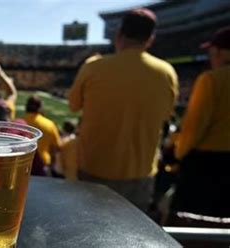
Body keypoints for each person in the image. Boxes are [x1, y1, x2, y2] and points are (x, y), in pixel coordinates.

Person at [68, 8, 178, 210]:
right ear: (150, 39)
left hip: (93, 167)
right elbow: (166, 114)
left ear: (119, 35)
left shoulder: (93, 66)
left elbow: (73, 106)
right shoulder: (166, 72)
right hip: (140, 173)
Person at [172, 26, 230, 218]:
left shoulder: (212, 79)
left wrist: (178, 153)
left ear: (219, 51)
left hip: (208, 167)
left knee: (197, 228)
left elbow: (194, 128)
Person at [23, 95, 61, 175]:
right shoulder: (49, 124)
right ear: (40, 107)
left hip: (24, 163)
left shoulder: (21, 123)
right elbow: (57, 146)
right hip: (43, 163)